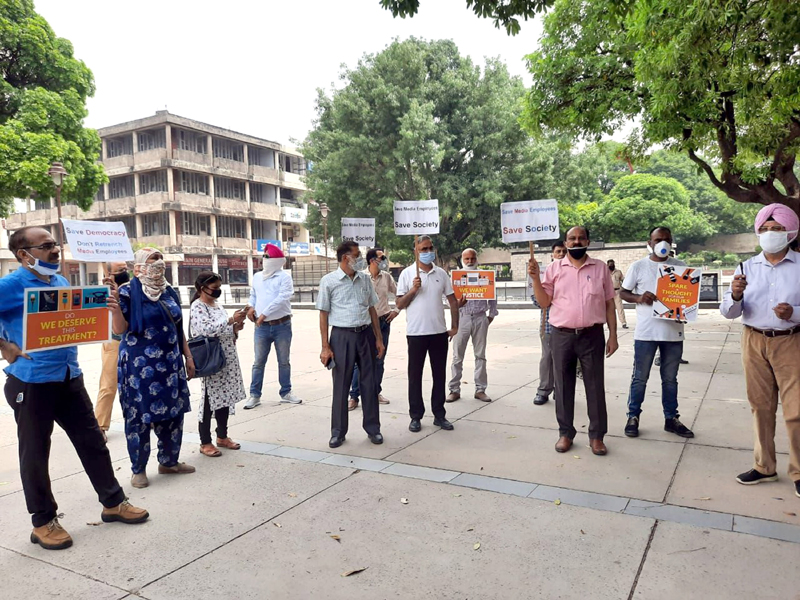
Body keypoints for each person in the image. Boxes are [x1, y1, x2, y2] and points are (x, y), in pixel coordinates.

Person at [0, 227, 148, 550]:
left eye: (55, 244)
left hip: (68, 377)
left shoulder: (60, 283)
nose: (55, 250)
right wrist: (4, 345)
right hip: (31, 382)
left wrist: (105, 302)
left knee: (93, 442)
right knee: (35, 454)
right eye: (46, 246)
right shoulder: (9, 286)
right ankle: (43, 522)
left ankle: (113, 502)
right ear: (24, 255)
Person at [720, 203, 800, 499]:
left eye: (776, 229)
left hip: (791, 340)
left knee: (796, 410)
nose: (769, 234)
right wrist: (736, 294)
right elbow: (728, 311)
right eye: (764, 229)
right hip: (753, 340)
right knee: (760, 406)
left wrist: (794, 312)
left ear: (790, 232)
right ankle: (764, 466)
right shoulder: (746, 267)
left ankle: (799, 469)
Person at [529, 226, 618, 456]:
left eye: (580, 238)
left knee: (595, 386)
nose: (576, 242)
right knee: (563, 385)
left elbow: (609, 303)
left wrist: (613, 336)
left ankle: (597, 436)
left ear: (587, 240)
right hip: (561, 336)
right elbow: (544, 302)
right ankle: (565, 433)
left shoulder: (599, 268)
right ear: (566, 242)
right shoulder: (554, 268)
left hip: (592, 335)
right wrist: (535, 279)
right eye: (572, 238)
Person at [111, 248, 196, 489]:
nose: (158, 264)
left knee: (173, 413)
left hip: (170, 363)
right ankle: (138, 469)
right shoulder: (127, 291)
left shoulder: (169, 291)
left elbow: (177, 328)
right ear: (138, 267)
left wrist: (187, 356)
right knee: (139, 416)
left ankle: (169, 461)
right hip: (140, 367)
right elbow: (120, 329)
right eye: (152, 260)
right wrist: (116, 306)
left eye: (160, 260)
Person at [620, 227, 694, 439]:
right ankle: (633, 416)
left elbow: (688, 300)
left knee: (670, 380)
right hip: (646, 334)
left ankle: (671, 418)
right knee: (639, 378)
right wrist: (639, 298)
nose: (663, 243)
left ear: (672, 242)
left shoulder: (681, 268)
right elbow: (623, 292)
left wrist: (687, 310)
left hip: (673, 334)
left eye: (667, 240)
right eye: (658, 239)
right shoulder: (639, 266)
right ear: (650, 243)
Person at [317, 241, 386, 448]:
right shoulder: (329, 281)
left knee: (369, 383)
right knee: (341, 385)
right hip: (341, 337)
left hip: (365, 335)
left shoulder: (364, 279)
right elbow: (323, 314)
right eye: (356, 255)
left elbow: (372, 309)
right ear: (346, 257)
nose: (359, 258)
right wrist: (325, 346)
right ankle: (338, 432)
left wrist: (379, 338)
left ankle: (373, 429)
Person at [396, 235, 459, 432]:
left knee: (439, 375)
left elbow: (453, 300)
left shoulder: (441, 273)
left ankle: (439, 414)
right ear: (415, 250)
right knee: (415, 376)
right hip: (416, 333)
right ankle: (415, 416)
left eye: (430, 248)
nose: (427, 252)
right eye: (423, 248)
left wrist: (454, 325)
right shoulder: (407, 274)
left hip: (439, 333)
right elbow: (399, 304)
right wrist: (413, 290)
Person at [190, 271, 248, 457]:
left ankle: (222, 436)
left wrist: (235, 327)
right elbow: (205, 330)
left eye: (219, 288)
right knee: (209, 399)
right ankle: (205, 441)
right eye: (214, 288)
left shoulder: (217, 305)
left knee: (225, 396)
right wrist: (230, 320)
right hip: (211, 358)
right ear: (202, 288)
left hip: (226, 356)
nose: (217, 292)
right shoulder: (197, 307)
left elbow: (224, 329)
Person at [244, 243, 301, 408]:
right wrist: (251, 307)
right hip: (261, 327)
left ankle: (286, 392)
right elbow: (253, 294)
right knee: (258, 362)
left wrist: (264, 314)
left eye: (267, 257)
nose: (264, 259)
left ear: (276, 261)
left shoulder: (284, 277)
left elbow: (282, 297)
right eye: (264, 256)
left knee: (284, 361)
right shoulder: (257, 277)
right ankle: (254, 395)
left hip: (281, 325)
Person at [348, 248, 398, 410]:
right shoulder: (361, 277)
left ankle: (375, 392)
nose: (384, 259)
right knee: (359, 362)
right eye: (381, 257)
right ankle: (354, 396)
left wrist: (396, 310)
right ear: (372, 260)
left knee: (379, 360)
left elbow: (400, 294)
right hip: (365, 323)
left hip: (383, 321)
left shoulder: (387, 277)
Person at [447, 248, 498, 403]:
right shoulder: (455, 278)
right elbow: (447, 300)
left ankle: (480, 389)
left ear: (476, 259)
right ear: (462, 260)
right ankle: (454, 389)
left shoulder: (485, 276)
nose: (470, 261)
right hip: (462, 319)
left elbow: (493, 297)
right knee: (457, 356)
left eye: (472, 258)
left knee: (480, 355)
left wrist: (490, 316)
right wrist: (456, 306)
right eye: (467, 259)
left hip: (480, 317)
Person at [94, 261, 130, 441]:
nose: (125, 272)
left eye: (126, 269)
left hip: (133, 342)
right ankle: (99, 426)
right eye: (120, 270)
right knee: (109, 384)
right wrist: (107, 290)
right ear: (110, 273)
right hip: (114, 342)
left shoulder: (133, 288)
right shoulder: (105, 290)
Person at [533, 241, 567, 405]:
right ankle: (544, 390)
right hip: (548, 323)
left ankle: (561, 392)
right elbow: (536, 298)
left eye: (564, 251)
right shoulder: (543, 273)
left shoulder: (573, 272)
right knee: (547, 358)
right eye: (558, 251)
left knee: (564, 360)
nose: (561, 254)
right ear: (552, 254)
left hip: (567, 324)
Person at [607, 259, 628, 329]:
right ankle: (609, 324)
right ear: (607, 265)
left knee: (620, 307)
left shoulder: (618, 272)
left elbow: (623, 280)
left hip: (617, 292)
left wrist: (622, 289)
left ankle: (623, 322)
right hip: (608, 293)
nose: (611, 266)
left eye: (612, 264)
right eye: (610, 265)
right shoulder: (605, 272)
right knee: (609, 309)